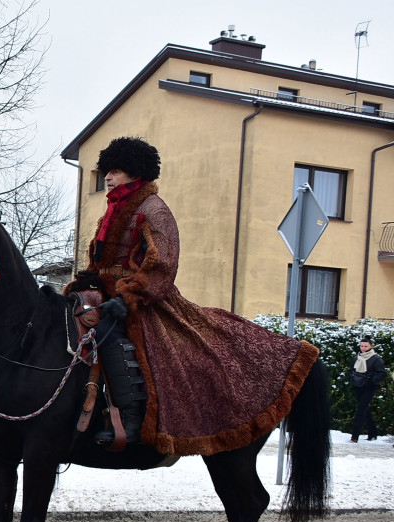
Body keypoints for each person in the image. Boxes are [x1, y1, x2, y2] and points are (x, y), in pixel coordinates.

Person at [67, 137, 319, 456]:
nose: (108, 176)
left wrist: (128, 297)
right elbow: (102, 260)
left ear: (134, 172)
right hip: (106, 293)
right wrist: (86, 282)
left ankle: (131, 422)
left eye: (115, 170)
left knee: (107, 334)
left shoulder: (153, 209)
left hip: (146, 300)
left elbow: (163, 265)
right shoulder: (112, 211)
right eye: (107, 171)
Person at [349, 336, 386, 443]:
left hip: (369, 387)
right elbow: (351, 369)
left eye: (366, 346)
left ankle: (354, 436)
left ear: (371, 346)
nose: (363, 348)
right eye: (361, 346)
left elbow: (382, 373)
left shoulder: (375, 358)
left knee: (361, 410)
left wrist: (371, 380)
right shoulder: (357, 357)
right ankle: (373, 432)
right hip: (358, 386)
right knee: (365, 409)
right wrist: (352, 378)